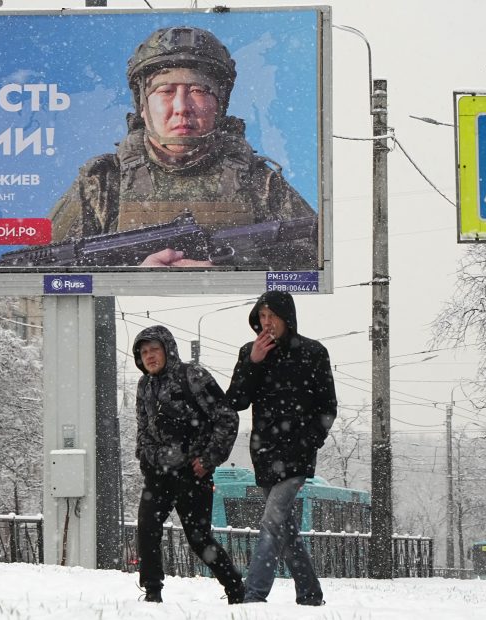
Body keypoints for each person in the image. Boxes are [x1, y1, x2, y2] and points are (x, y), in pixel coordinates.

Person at [49, 26, 318, 269]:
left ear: (220, 104)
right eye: (165, 91)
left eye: (199, 90)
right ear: (142, 105)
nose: (182, 107)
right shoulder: (102, 183)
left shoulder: (259, 182)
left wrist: (229, 269)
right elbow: (42, 276)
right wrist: (133, 279)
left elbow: (316, 262)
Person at [225, 291, 337, 606]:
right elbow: (236, 401)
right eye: (261, 316)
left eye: (271, 315)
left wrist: (309, 441)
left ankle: (253, 594)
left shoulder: (313, 353)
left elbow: (327, 406)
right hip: (264, 454)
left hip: (297, 455)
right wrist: (253, 363)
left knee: (272, 521)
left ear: (287, 317)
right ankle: (310, 593)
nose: (266, 323)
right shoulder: (249, 352)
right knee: (284, 526)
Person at [132, 325, 245, 604]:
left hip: (193, 474)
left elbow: (227, 417)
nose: (149, 356)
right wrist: (145, 457)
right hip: (158, 474)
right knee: (146, 528)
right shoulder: (144, 386)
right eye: (144, 352)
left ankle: (235, 589)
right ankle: (152, 592)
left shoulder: (192, 376)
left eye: (154, 349)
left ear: (168, 350)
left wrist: (208, 459)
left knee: (198, 539)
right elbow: (143, 427)